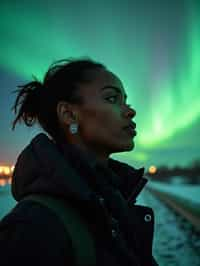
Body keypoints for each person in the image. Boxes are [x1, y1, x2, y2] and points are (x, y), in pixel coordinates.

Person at [0, 58, 158, 266]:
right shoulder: (33, 226)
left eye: (125, 101)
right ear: (69, 114)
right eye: (112, 98)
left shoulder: (113, 200)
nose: (130, 111)